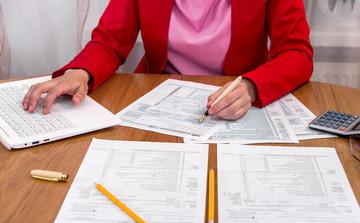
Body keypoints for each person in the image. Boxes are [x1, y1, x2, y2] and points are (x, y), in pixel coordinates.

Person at [22, 0, 313, 120]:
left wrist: (251, 86)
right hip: (159, 100)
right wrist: (79, 73)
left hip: (238, 102)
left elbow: (297, 52)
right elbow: (110, 40)